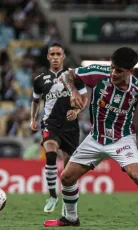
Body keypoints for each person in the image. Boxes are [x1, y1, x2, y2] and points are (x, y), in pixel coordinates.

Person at [43, 47, 138, 227]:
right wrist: (74, 91)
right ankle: (71, 218)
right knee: (67, 178)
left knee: (137, 175)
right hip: (95, 137)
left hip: (122, 139)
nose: (113, 73)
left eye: (119, 71)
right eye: (112, 67)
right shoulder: (98, 73)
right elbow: (67, 75)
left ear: (130, 71)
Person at [30, 42, 88, 214]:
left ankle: (67, 206)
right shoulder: (40, 80)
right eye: (52, 54)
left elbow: (84, 98)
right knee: (50, 151)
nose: (55, 57)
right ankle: (52, 196)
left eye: (58, 54)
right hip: (50, 124)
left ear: (63, 57)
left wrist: (77, 111)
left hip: (70, 127)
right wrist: (33, 119)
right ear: (48, 57)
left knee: (69, 172)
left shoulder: (73, 76)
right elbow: (35, 101)